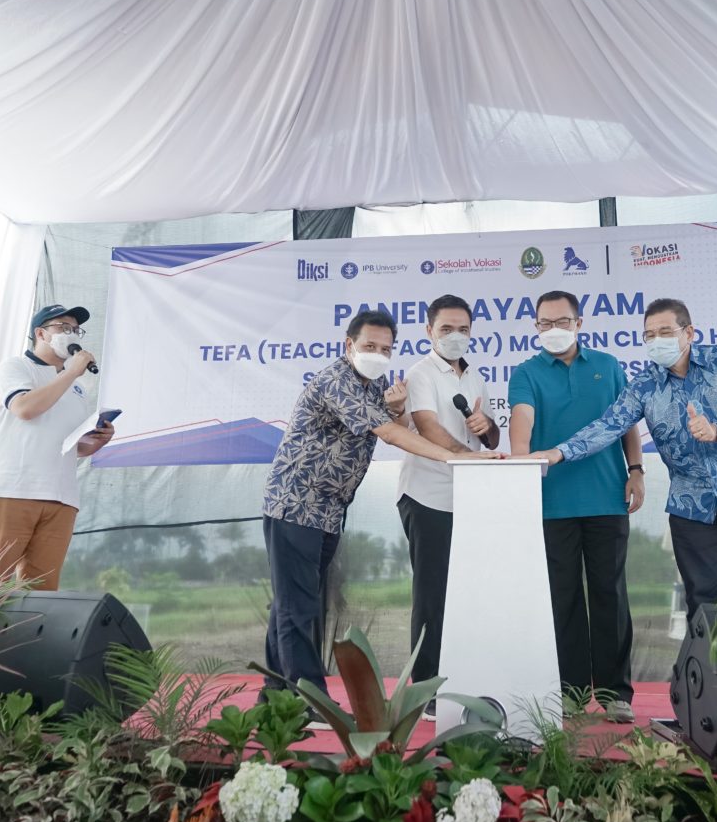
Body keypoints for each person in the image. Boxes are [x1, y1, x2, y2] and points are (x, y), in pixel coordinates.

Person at [262, 309, 503, 699]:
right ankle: (306, 701)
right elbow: (390, 434)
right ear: (349, 345)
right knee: (298, 607)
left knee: (292, 603)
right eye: (369, 346)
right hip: (295, 504)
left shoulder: (373, 384)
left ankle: (274, 692)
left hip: (327, 510)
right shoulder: (336, 380)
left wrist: (395, 408)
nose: (378, 354)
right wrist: (457, 457)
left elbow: (393, 422)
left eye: (386, 348)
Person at [532, 298, 717, 625]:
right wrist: (559, 452)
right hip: (693, 506)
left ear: (689, 332)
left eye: (665, 331)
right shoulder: (644, 385)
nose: (657, 340)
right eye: (649, 335)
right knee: (704, 602)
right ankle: (714, 674)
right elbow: (609, 425)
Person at [509, 290, 644, 723]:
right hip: (551, 504)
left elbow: (626, 424)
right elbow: (522, 419)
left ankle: (614, 693)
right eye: (545, 323)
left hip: (608, 498)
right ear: (535, 328)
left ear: (580, 322)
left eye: (562, 321)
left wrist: (637, 469)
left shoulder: (607, 366)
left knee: (609, 593)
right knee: (562, 598)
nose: (554, 330)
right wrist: (520, 464)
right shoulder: (526, 372)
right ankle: (568, 691)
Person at [396, 295, 499, 709]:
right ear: (429, 331)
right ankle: (426, 692)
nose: (455, 337)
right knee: (432, 596)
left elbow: (492, 438)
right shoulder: (420, 373)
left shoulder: (475, 378)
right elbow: (426, 427)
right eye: (446, 329)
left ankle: (464, 676)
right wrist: (467, 455)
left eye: (462, 330)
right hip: (427, 495)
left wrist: (486, 426)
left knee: (466, 595)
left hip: (469, 498)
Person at [0, 303, 116, 590]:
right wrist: (70, 373)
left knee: (40, 592)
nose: (72, 333)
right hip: (12, 490)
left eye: (76, 329)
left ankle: (28, 638)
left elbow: (71, 446)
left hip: (61, 498)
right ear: (41, 333)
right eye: (63, 327)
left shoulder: (77, 388)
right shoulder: (15, 367)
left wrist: (97, 441)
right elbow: (24, 408)